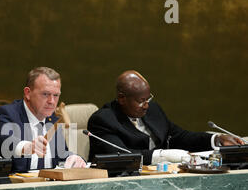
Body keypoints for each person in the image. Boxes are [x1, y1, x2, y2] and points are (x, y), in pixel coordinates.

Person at [87, 70, 243, 165]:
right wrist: (163, 156)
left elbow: (180, 136)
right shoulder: (103, 120)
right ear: (122, 98)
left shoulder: (153, 110)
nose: (146, 105)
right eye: (141, 101)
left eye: (148, 99)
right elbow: (121, 155)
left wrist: (215, 139)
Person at [0, 66, 86, 172]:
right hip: (14, 187)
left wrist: (73, 158)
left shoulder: (53, 119)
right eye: (45, 94)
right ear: (28, 93)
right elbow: (5, 143)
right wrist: (28, 147)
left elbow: (61, 155)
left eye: (56, 95)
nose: (52, 101)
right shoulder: (6, 114)